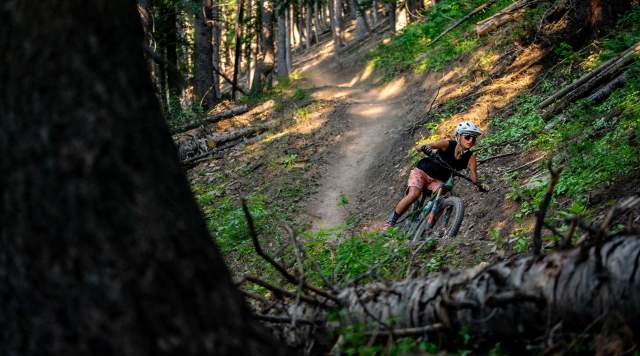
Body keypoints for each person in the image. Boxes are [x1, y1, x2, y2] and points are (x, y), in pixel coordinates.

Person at [384, 121, 483, 228]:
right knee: (413, 195)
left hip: (438, 181)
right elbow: (426, 146)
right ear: (459, 136)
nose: (471, 140)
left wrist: (479, 185)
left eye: (474, 138)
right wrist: (422, 147)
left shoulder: (471, 158)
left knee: (442, 200)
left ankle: (427, 228)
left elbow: (474, 177)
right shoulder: (448, 144)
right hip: (422, 172)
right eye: (467, 137)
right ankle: (390, 222)